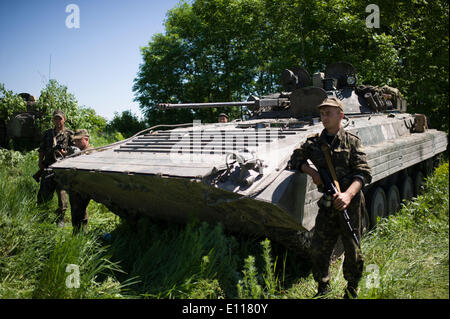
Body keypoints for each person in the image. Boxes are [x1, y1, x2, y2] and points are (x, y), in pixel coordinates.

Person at [289, 97, 372, 298]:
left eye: (328, 113)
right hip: (327, 204)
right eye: (322, 113)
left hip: (349, 203)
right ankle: (323, 286)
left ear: (340, 116)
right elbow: (295, 160)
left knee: (352, 247)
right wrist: (312, 173)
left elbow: (363, 173)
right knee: (318, 248)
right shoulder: (314, 142)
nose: (324, 117)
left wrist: (348, 195)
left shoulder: (352, 141)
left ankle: (352, 287)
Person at [37, 110, 74, 227]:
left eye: (60, 118)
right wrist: (40, 162)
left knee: (62, 195)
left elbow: (74, 151)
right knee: (44, 193)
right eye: (55, 119)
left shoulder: (69, 134)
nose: (57, 121)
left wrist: (64, 153)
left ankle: (60, 218)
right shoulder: (48, 133)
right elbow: (41, 148)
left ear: (64, 119)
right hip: (48, 166)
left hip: (62, 168)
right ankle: (42, 215)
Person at [69, 129, 93, 234]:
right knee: (78, 209)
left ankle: (79, 232)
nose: (76, 143)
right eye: (75, 141)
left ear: (86, 139)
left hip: (84, 186)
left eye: (79, 140)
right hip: (77, 185)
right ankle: (80, 232)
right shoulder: (78, 151)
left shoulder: (90, 152)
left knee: (78, 209)